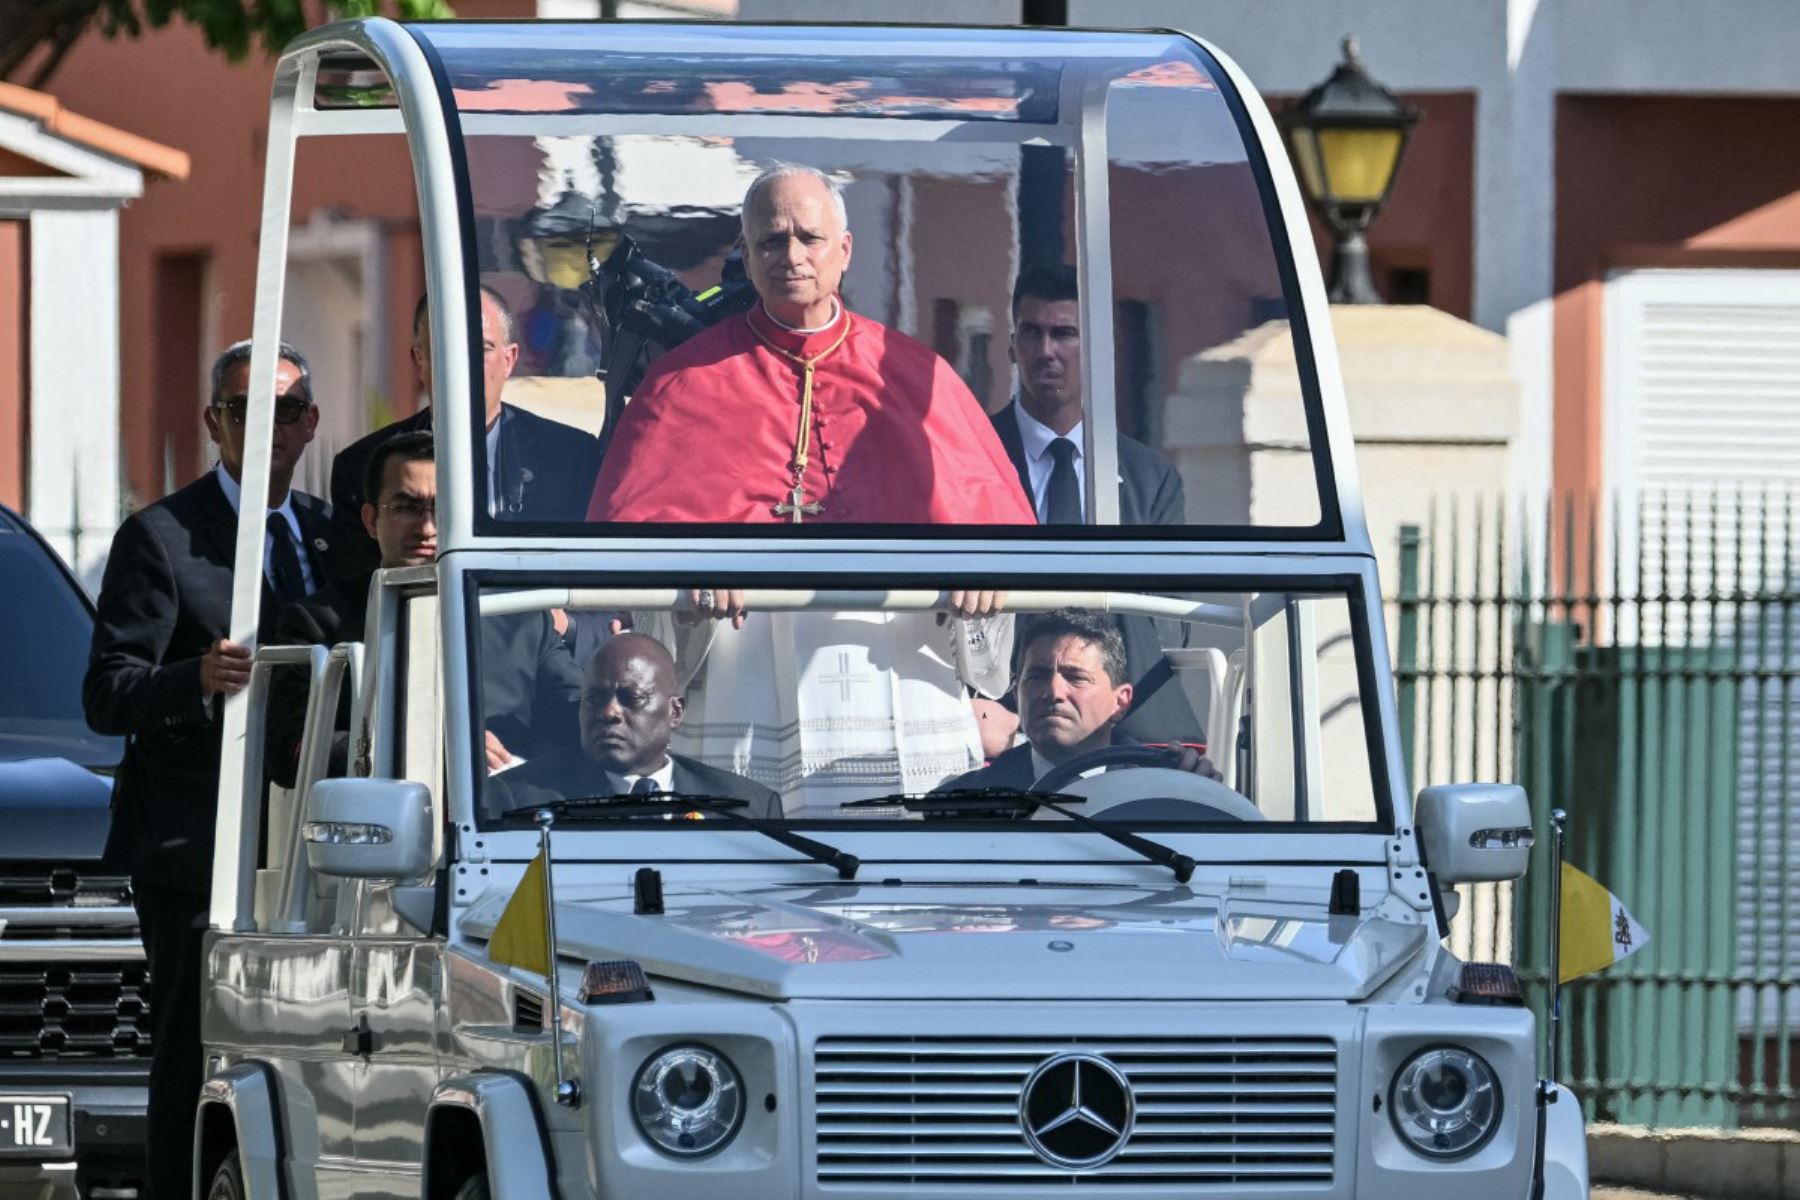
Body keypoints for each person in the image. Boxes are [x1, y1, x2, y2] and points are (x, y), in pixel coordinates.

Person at [83, 340, 328, 1200]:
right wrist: (196, 679)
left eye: (286, 410)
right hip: (195, 850)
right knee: (191, 1054)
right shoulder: (160, 536)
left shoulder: (333, 534)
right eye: (243, 410)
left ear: (312, 424)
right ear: (212, 423)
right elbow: (107, 694)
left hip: (313, 848)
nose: (267, 428)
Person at [587, 163, 1033, 525]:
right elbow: (631, 534)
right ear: (747, 254)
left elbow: (990, 523)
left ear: (845, 250)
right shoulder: (681, 380)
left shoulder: (915, 372)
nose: (792, 257)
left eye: (810, 239)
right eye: (772, 241)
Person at [269, 433, 580, 785]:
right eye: (405, 508)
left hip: (506, 826)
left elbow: (580, 719)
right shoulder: (317, 623)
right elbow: (289, 751)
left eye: (441, 508)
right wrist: (431, 748)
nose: (426, 528)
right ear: (371, 521)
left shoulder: (521, 617)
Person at [988, 263, 1205, 746]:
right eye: (1032, 333)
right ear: (1012, 345)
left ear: (1097, 350)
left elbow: (1172, 629)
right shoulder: (970, 457)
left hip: (1123, 725)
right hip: (998, 717)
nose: (1046, 351)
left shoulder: (1151, 478)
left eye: (1064, 334)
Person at [324, 288, 603, 579]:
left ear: (509, 360)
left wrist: (563, 623)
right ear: (419, 359)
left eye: (481, 349)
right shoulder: (360, 466)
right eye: (445, 347)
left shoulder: (571, 458)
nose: (463, 365)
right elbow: (353, 594)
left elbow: (599, 585)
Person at [492, 632, 781, 820]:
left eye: (630, 698)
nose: (609, 712)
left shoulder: (748, 808)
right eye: (594, 698)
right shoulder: (516, 799)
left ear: (675, 712)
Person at [942, 608, 1216, 792]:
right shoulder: (965, 800)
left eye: (1075, 677)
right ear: (1016, 693)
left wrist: (1203, 793)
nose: (1053, 692)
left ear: (1120, 702)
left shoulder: (1166, 790)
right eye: (1037, 676)